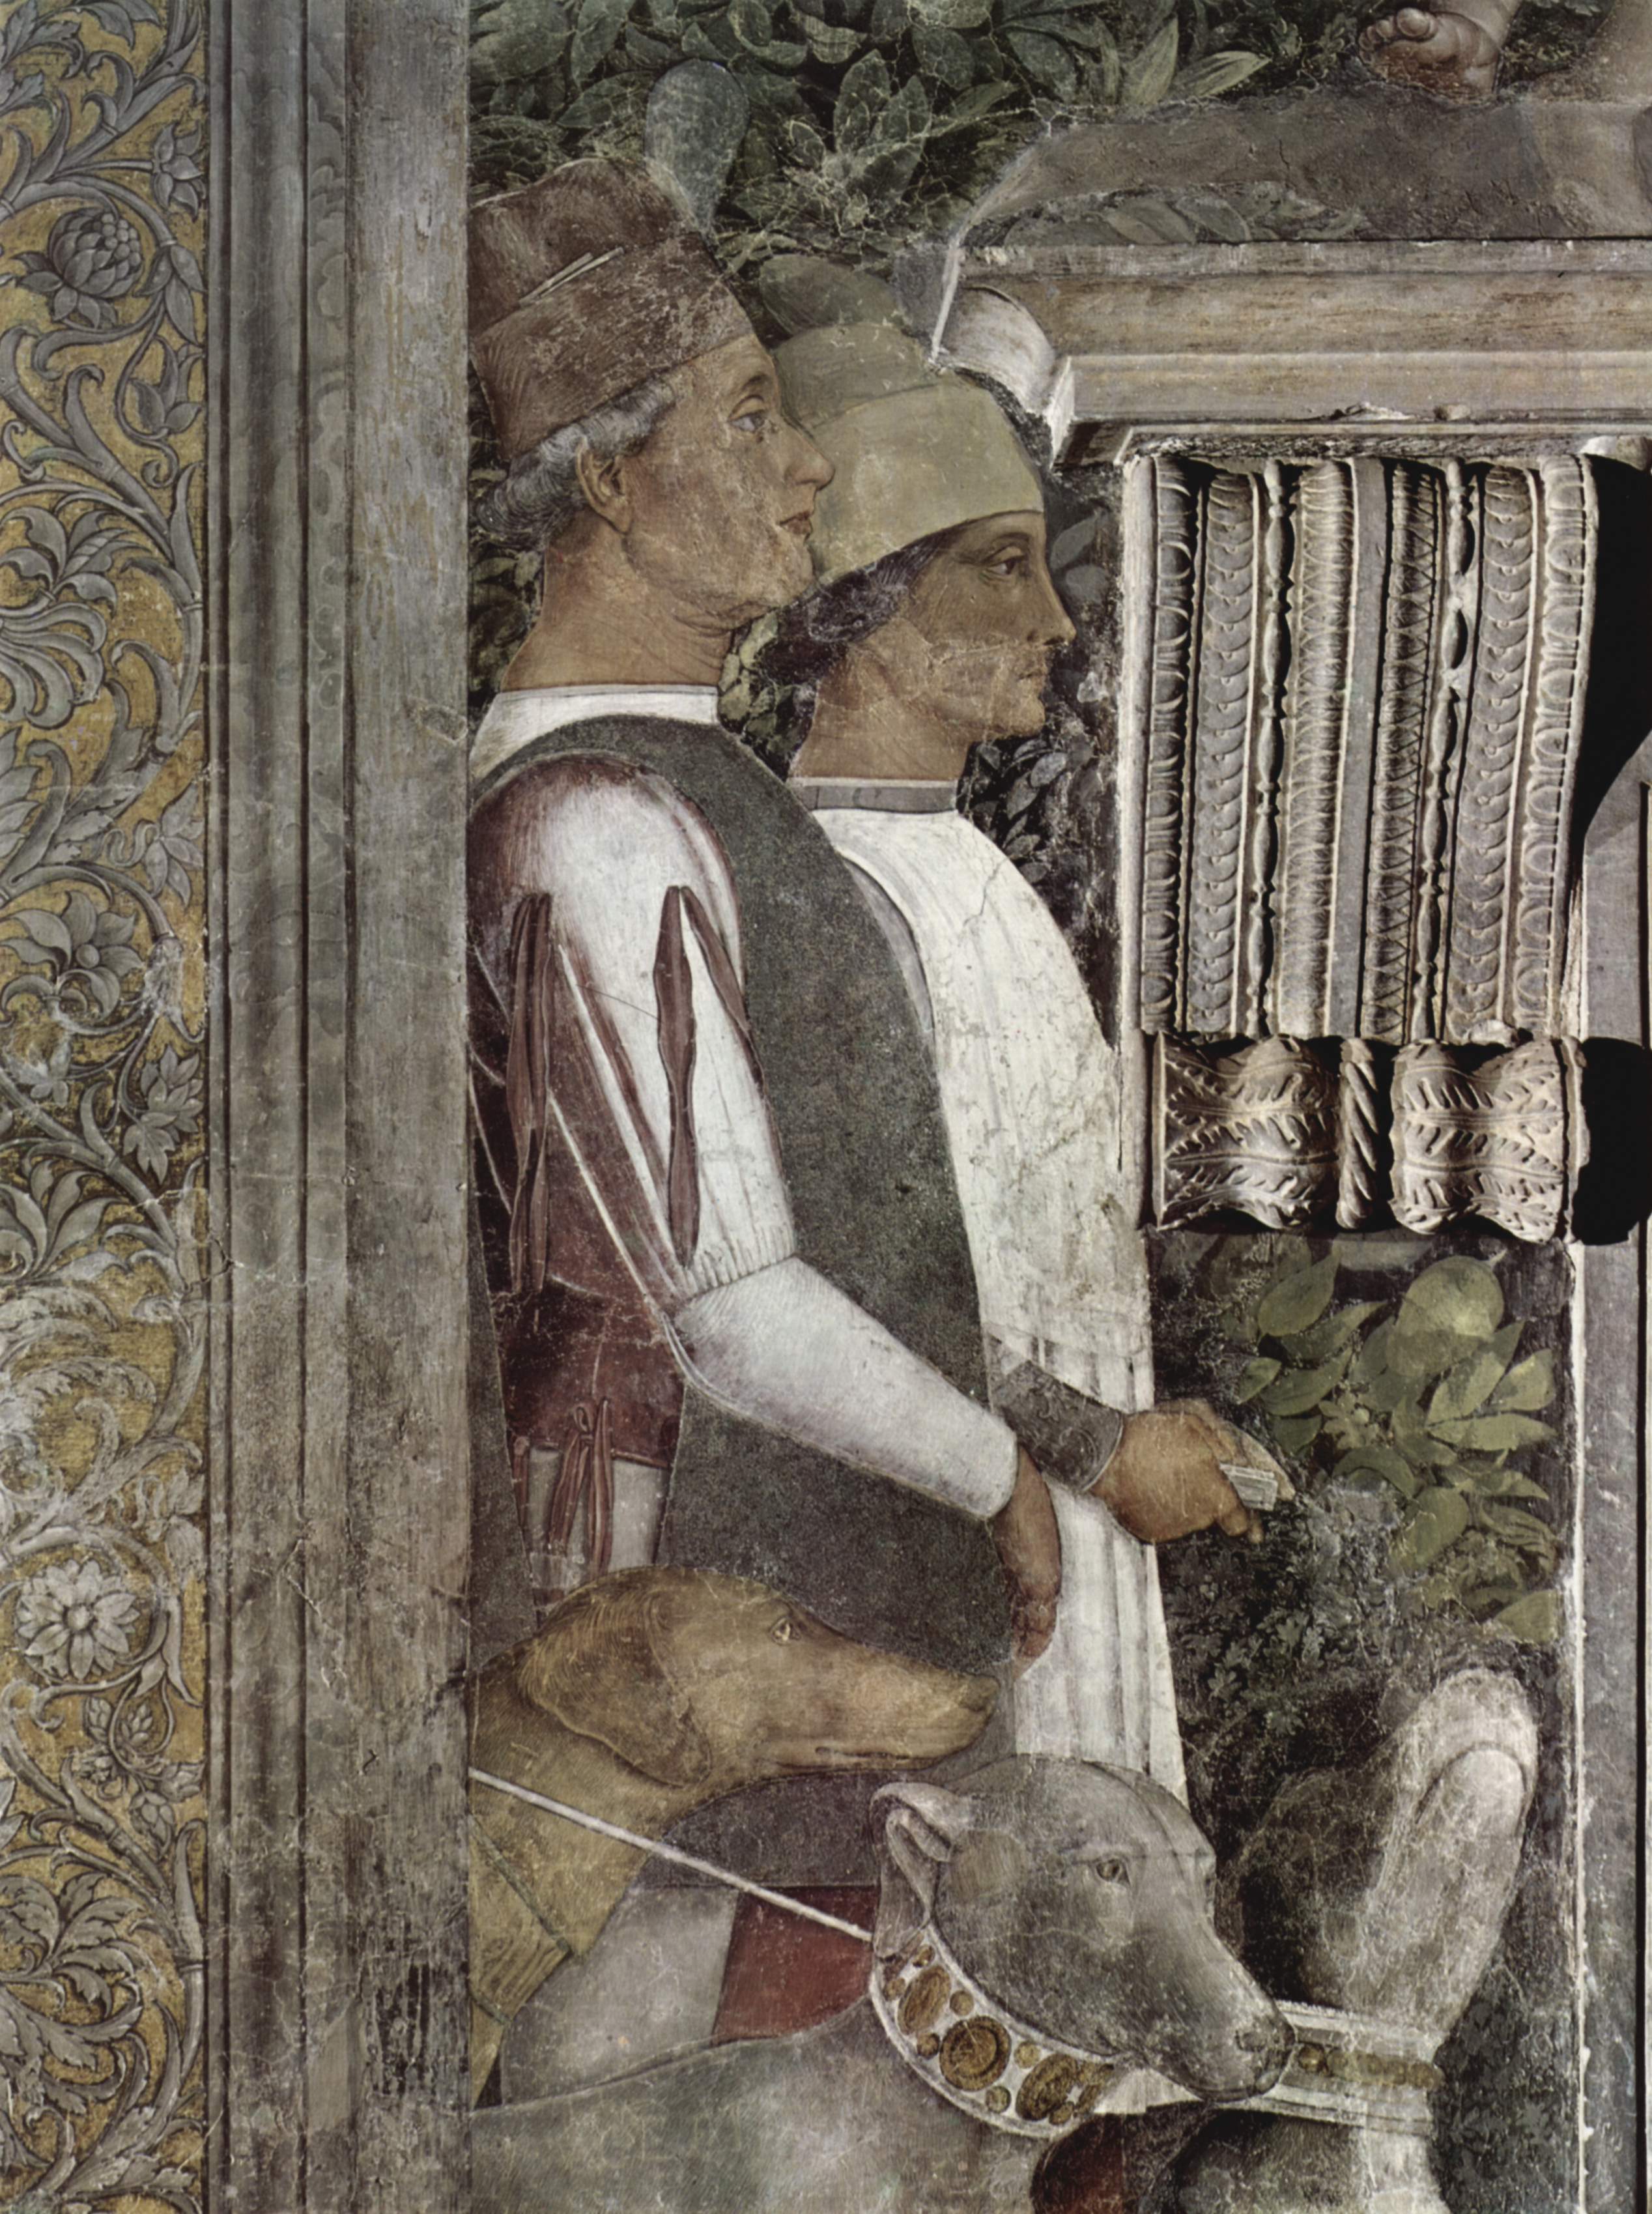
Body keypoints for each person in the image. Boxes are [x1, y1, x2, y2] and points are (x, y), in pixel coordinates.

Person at [769, 321, 1274, 1820]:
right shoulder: (825, 888)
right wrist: (1100, 1444)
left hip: (1059, 1502)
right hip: (931, 1533)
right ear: (863, 609)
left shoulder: (958, 864)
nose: (1052, 619)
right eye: (999, 567)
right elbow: (853, 1283)